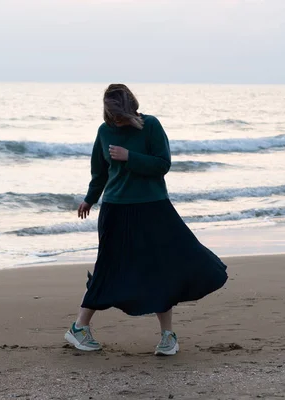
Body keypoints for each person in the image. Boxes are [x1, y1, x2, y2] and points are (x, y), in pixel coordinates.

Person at [64, 84, 228, 356]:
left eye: (118, 112)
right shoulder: (104, 132)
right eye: (110, 112)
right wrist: (90, 199)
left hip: (153, 206)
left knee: (162, 267)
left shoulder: (150, 126)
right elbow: (99, 172)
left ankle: (167, 336)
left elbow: (162, 164)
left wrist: (130, 157)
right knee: (108, 267)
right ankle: (79, 328)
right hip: (116, 209)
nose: (114, 118)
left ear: (129, 106)